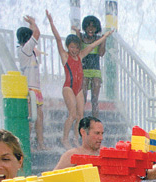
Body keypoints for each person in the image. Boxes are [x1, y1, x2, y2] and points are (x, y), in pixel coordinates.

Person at [46, 10, 114, 149]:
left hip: (78, 90)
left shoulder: (81, 55)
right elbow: (58, 39)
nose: (75, 50)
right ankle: (65, 139)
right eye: (72, 47)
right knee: (72, 114)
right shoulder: (65, 56)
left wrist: (106, 36)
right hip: (68, 87)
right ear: (68, 47)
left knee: (80, 115)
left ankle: (76, 139)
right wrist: (51, 22)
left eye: (77, 47)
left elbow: (92, 46)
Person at [17, 15, 46, 150]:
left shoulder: (29, 51)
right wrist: (34, 23)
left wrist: (30, 25)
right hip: (30, 90)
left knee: (39, 118)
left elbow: (33, 36)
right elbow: (37, 34)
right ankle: (27, 145)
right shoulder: (25, 51)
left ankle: (40, 143)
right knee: (30, 119)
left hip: (36, 89)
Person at [78, 16, 107, 118]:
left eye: (93, 27)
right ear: (84, 27)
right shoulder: (81, 38)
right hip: (84, 70)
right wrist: (76, 33)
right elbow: (76, 51)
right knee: (83, 98)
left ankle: (95, 122)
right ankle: (80, 119)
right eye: (88, 26)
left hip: (95, 71)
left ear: (97, 28)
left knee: (94, 99)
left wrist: (103, 41)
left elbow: (101, 53)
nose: (91, 29)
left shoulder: (99, 39)